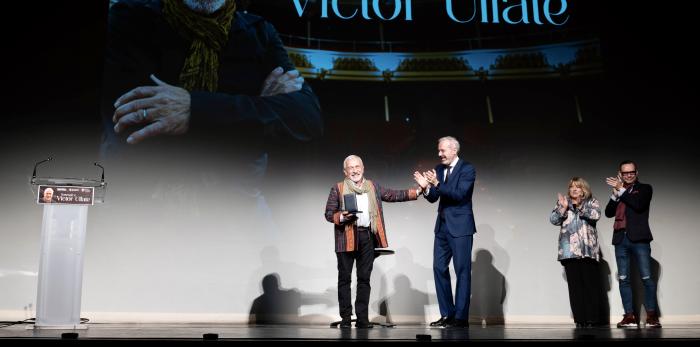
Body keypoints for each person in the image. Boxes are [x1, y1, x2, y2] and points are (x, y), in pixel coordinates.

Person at [100, 0, 322, 185]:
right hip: (138, 198)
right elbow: (134, 132)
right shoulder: (128, 18)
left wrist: (193, 109)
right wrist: (257, 108)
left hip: (236, 202)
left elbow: (307, 119)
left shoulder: (259, 32)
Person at [324, 155, 420, 328]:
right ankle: (346, 319)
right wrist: (342, 217)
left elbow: (392, 195)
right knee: (344, 279)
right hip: (346, 237)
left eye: (357, 167)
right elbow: (329, 213)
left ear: (363, 168)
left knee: (364, 279)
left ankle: (362, 319)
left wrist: (416, 192)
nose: (354, 170)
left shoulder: (372, 187)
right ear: (345, 172)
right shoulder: (338, 188)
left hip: (367, 237)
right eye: (350, 168)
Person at [413, 136, 476, 328]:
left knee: (462, 271)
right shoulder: (439, 169)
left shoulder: (467, 169)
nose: (439, 154)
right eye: (439, 151)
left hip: (461, 227)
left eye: (443, 151)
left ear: (454, 150)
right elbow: (433, 198)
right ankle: (447, 314)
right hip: (442, 227)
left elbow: (459, 195)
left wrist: (438, 185)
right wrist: (425, 187)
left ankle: (460, 317)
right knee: (439, 268)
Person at [605, 160, 661, 328]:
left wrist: (621, 190)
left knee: (647, 277)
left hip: (640, 239)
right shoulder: (619, 192)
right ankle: (629, 316)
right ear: (620, 174)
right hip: (620, 239)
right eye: (625, 173)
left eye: (631, 172)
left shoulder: (645, 188)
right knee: (624, 279)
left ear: (637, 172)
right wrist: (615, 193)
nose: (628, 175)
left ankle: (651, 315)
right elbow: (608, 213)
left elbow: (638, 205)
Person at [549, 177, 604, 328]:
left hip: (588, 251)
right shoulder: (563, 203)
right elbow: (553, 220)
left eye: (577, 187)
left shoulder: (591, 202)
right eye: (572, 187)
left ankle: (592, 319)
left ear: (583, 189)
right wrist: (563, 208)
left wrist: (579, 205)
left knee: (590, 285)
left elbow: (596, 215)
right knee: (575, 287)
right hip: (569, 252)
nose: (574, 189)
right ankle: (580, 319)